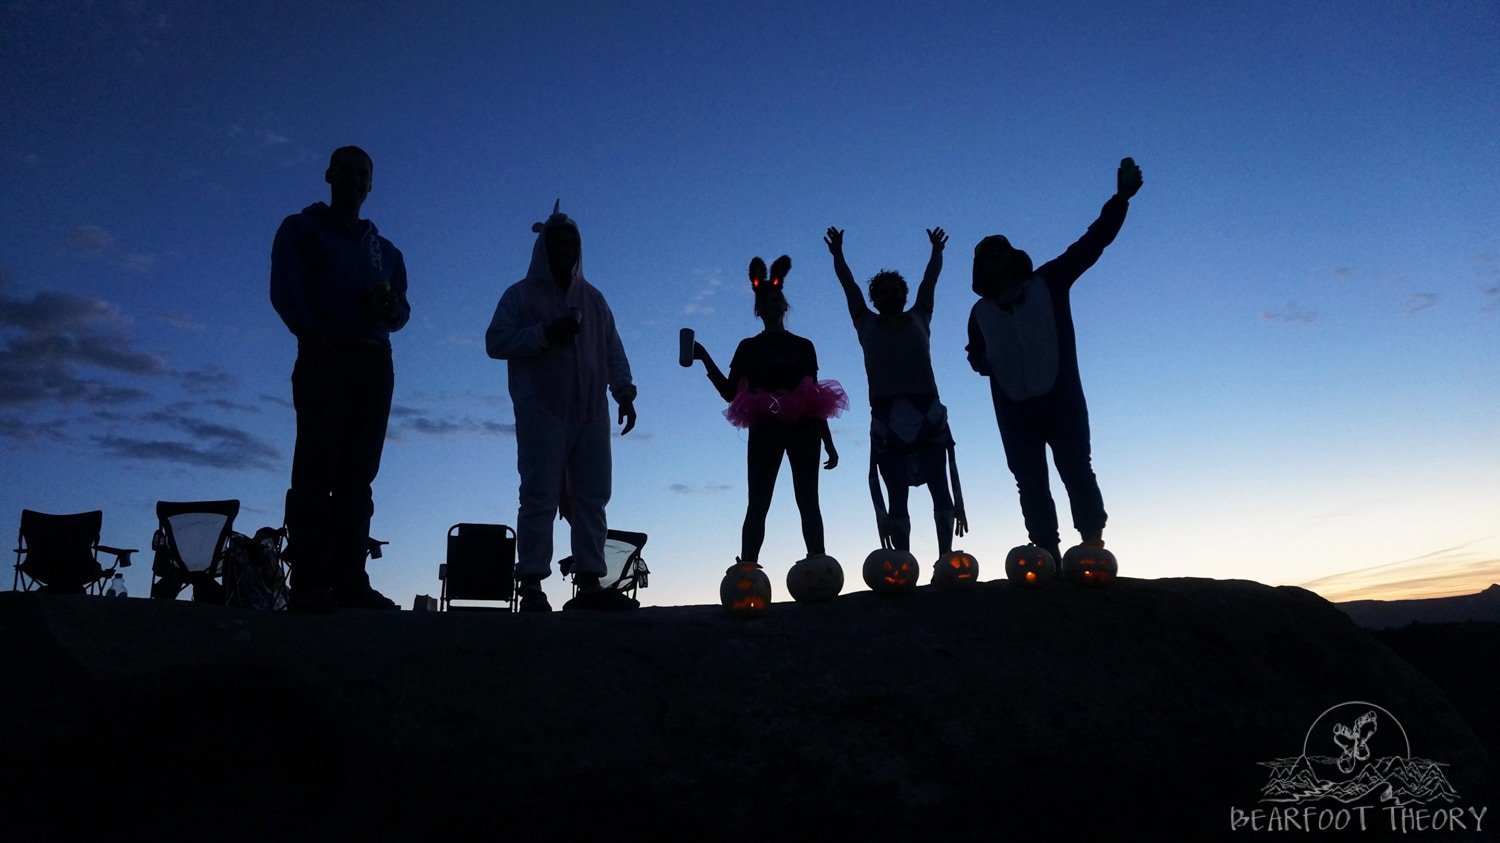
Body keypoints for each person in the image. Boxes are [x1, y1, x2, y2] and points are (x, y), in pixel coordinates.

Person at [965, 157, 1144, 567]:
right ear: (979, 269)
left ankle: (1092, 545)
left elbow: (1091, 243)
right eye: (985, 258)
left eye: (999, 254)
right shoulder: (979, 312)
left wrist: (1121, 199)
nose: (994, 262)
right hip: (1012, 407)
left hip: (1061, 396)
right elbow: (974, 352)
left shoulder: (1050, 280)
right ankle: (1046, 550)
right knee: (1029, 480)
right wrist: (982, 362)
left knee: (1077, 469)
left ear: (1014, 257)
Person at [270, 145, 409, 612]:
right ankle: (310, 582)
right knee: (315, 469)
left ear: (371, 185)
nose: (353, 180)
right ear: (329, 175)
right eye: (345, 171)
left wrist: (392, 309)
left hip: (375, 361)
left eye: (362, 174)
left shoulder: (387, 252)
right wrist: (311, 336)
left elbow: (402, 311)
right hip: (325, 356)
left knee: (359, 476)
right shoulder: (302, 229)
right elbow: (285, 288)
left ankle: (350, 580)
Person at [486, 202, 638, 612]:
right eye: (558, 242)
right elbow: (495, 341)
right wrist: (543, 334)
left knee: (592, 496)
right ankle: (532, 584)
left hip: (590, 410)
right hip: (542, 409)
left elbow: (612, 349)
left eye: (572, 242)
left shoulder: (594, 299)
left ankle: (589, 581)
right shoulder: (518, 295)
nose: (566, 249)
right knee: (538, 494)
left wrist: (623, 391)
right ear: (543, 248)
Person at [689, 255, 845, 572]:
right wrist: (704, 358)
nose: (772, 305)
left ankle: (818, 561)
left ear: (784, 306)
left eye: (777, 300)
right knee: (759, 500)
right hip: (765, 427)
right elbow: (731, 392)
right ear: (758, 309)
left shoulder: (804, 345)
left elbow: (813, 393)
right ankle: (747, 566)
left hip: (804, 426)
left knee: (808, 498)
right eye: (766, 301)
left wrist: (828, 441)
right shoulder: (748, 346)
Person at [824, 225, 967, 559]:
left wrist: (936, 253)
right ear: (875, 299)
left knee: (939, 488)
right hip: (887, 417)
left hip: (927, 411)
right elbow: (850, 287)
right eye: (883, 292)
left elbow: (929, 282)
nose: (890, 296)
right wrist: (838, 255)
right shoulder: (865, 323)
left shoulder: (921, 316)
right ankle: (904, 562)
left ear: (904, 295)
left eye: (895, 291)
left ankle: (945, 557)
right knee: (897, 494)